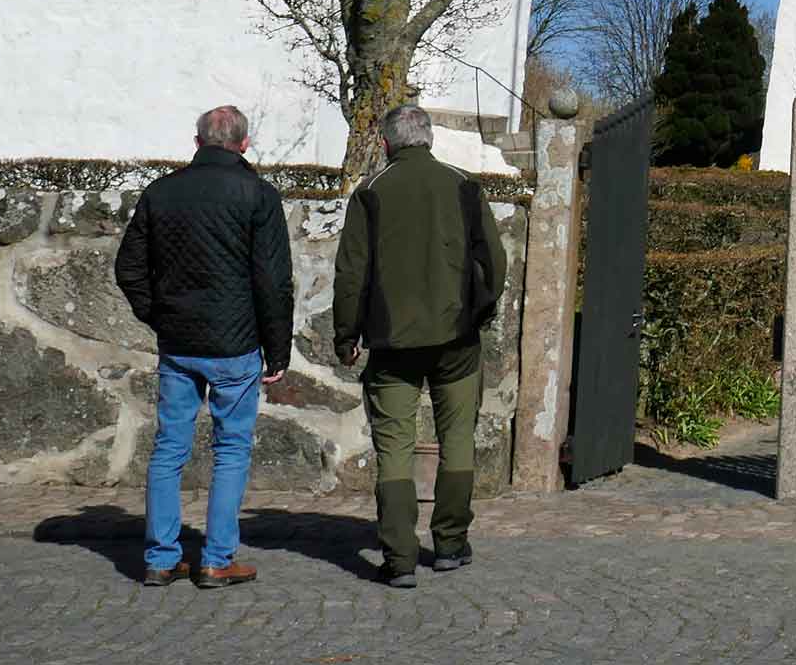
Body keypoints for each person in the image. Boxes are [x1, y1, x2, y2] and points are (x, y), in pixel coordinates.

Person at [114, 103, 295, 589]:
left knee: (169, 447)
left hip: (179, 341)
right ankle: (216, 560)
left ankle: (160, 558)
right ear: (244, 144)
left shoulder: (161, 193)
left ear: (197, 143)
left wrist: (158, 314)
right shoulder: (258, 195)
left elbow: (128, 269)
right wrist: (277, 351)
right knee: (231, 449)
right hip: (234, 343)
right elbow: (273, 281)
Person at [332, 102, 508, 588]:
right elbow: (494, 260)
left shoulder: (370, 192)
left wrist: (346, 336)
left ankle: (400, 557)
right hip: (457, 339)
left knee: (394, 448)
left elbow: (350, 274)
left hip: (391, 344)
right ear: (428, 139)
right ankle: (449, 543)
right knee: (457, 441)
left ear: (387, 143)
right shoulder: (464, 185)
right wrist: (483, 309)